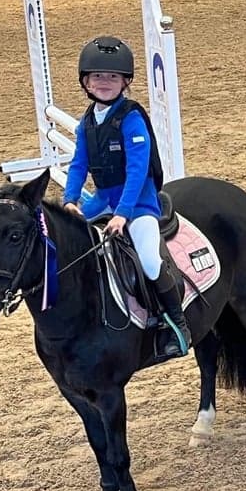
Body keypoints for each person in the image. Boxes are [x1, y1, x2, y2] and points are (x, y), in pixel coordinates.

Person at [63, 36, 190, 356]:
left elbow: (138, 170)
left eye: (112, 77)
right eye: (97, 77)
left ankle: (176, 323)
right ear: (85, 81)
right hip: (103, 198)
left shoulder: (131, 118)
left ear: (125, 82)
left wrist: (124, 213)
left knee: (148, 260)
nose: (104, 83)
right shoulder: (86, 122)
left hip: (139, 201)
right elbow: (78, 163)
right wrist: (69, 200)